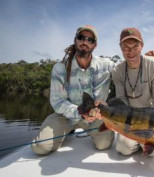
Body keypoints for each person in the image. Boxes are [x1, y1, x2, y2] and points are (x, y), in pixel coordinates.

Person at [31, 25, 115, 155]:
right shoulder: (59, 68)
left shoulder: (106, 65)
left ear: (95, 45)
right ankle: (67, 130)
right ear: (75, 40)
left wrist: (146, 60)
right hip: (66, 116)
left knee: (104, 145)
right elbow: (57, 101)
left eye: (90, 40)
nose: (85, 42)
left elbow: (127, 69)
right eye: (81, 37)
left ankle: (88, 131)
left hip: (96, 117)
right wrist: (80, 113)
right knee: (40, 148)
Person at [111, 27, 154, 156]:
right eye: (126, 47)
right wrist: (131, 124)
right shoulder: (117, 71)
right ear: (120, 48)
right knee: (123, 149)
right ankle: (138, 142)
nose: (130, 52)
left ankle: (141, 142)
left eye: (135, 46)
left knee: (152, 152)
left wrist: (151, 126)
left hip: (153, 115)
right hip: (131, 117)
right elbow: (121, 101)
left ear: (142, 46)